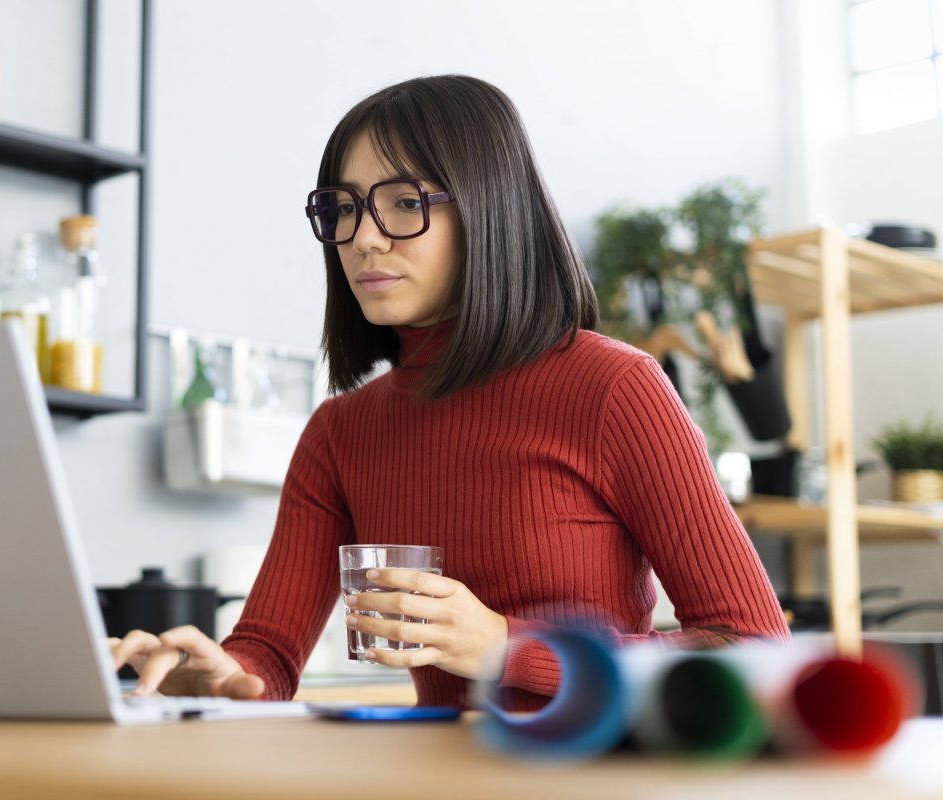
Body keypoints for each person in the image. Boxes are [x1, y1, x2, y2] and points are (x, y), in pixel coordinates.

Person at [110, 75, 790, 710]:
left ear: (488, 210)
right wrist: (220, 677)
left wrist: (505, 646)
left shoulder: (613, 387)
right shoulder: (341, 432)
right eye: (343, 210)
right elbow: (269, 659)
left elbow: (751, 651)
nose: (364, 240)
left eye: (404, 203)